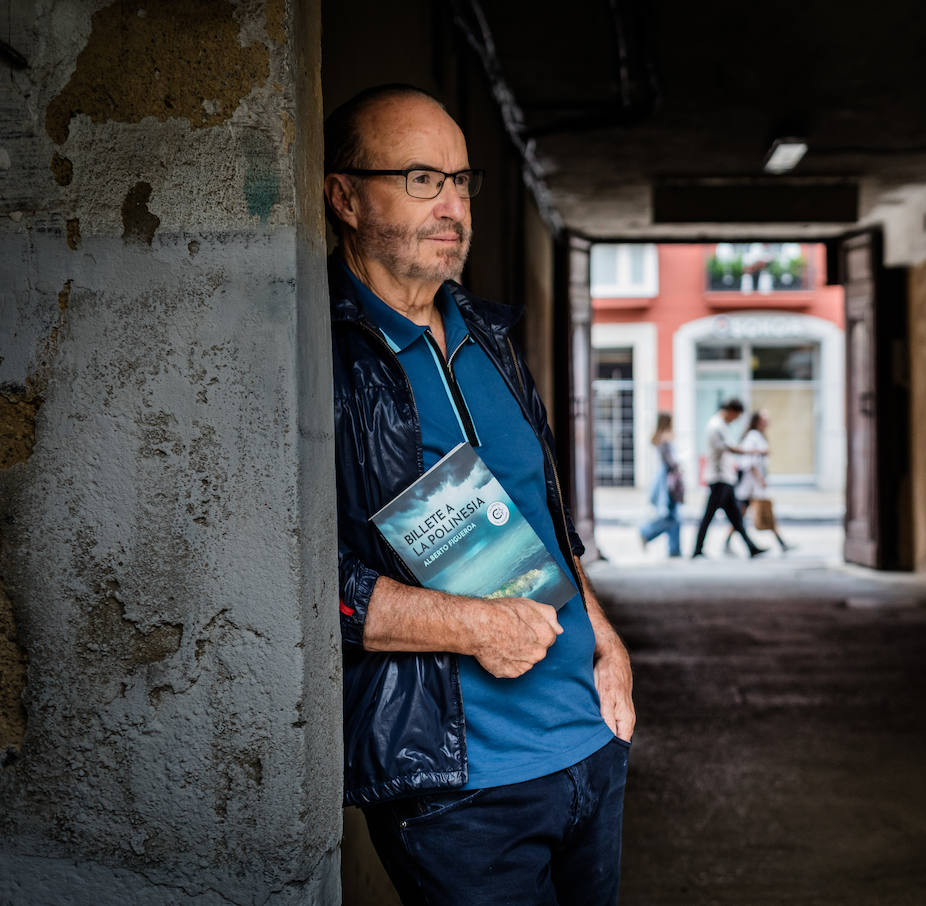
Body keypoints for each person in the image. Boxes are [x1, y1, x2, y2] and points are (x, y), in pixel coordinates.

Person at [326, 84, 634, 906]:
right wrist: (472, 626)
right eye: (422, 178)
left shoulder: (489, 335)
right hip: (459, 783)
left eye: (461, 181)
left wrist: (606, 637)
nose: (451, 203)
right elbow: (290, 580)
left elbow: (543, 512)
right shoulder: (319, 359)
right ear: (345, 196)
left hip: (587, 747)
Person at [691, 399, 767, 559]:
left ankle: (751, 547)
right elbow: (731, 448)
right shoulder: (716, 426)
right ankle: (697, 549)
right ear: (731, 411)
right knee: (710, 515)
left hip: (725, 478)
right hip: (719, 478)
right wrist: (754, 452)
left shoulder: (721, 425)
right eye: (737, 416)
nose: (736, 420)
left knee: (735, 516)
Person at [726, 410, 793, 553]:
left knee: (741, 514)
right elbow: (750, 462)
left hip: (752, 486)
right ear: (757, 421)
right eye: (764, 418)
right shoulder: (753, 437)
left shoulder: (758, 436)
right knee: (758, 513)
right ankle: (780, 542)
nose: (768, 421)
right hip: (751, 485)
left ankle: (780, 542)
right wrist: (760, 479)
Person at [638, 412, 682, 557]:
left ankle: (674, 549)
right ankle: (647, 532)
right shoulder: (665, 439)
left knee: (674, 516)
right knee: (671, 516)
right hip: (669, 483)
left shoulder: (662, 438)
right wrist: (679, 467)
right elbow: (671, 463)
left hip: (667, 481)